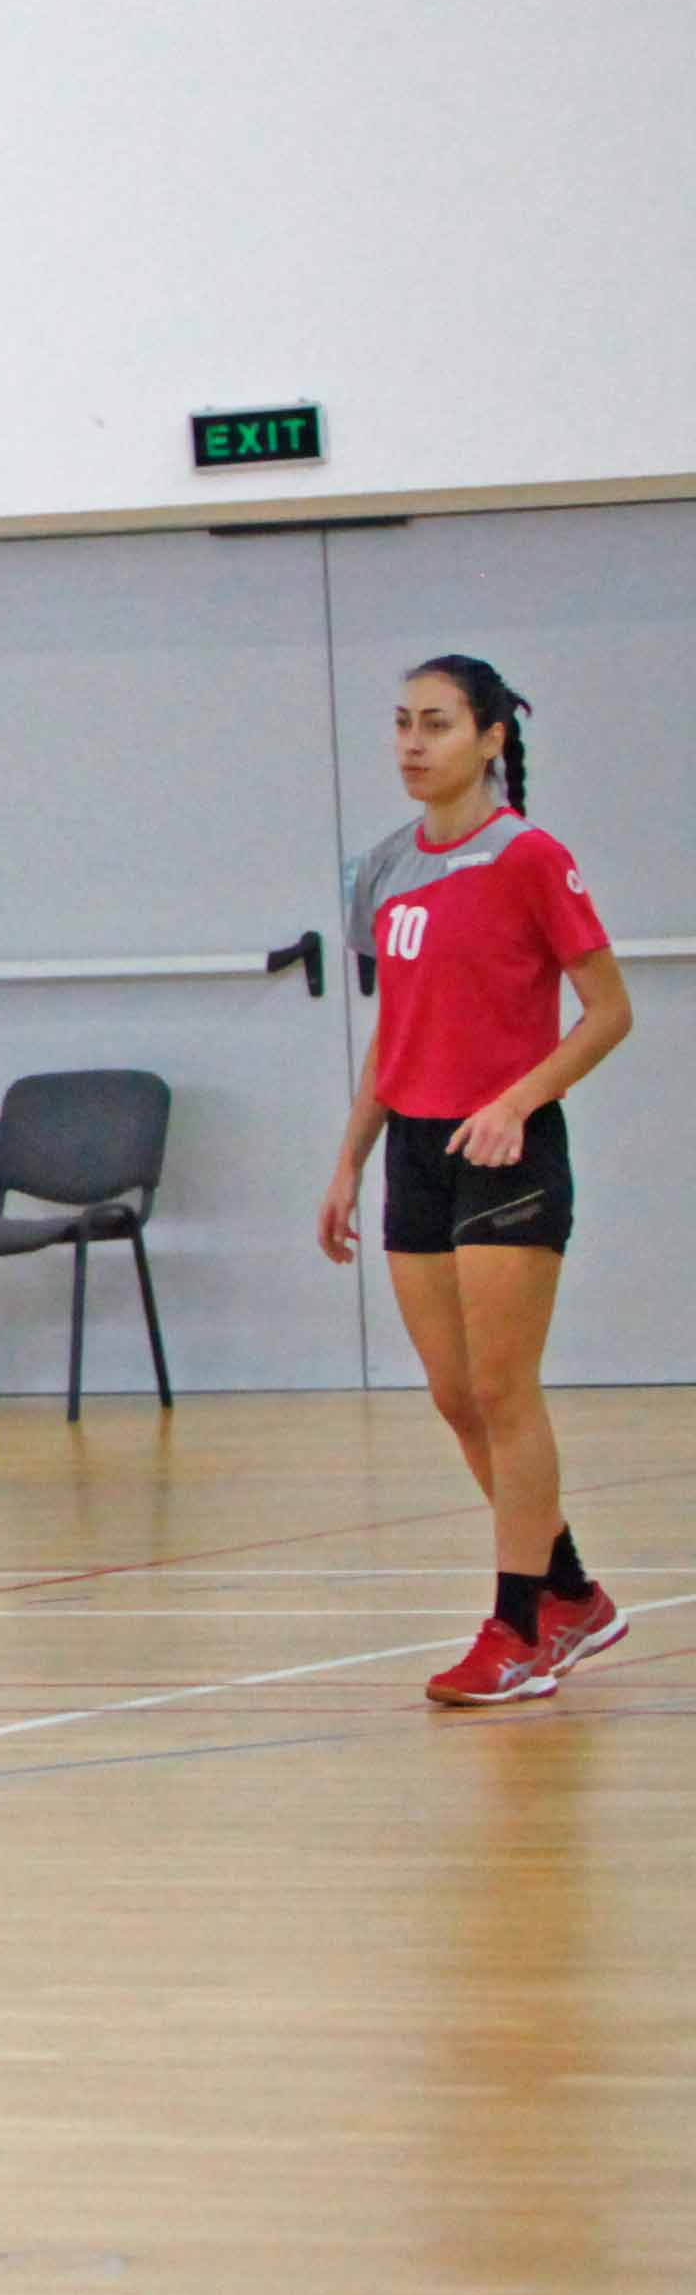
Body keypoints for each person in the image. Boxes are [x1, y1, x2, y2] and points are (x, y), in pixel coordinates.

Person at [322, 654, 636, 1707]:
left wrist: (515, 1100)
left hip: (509, 1148)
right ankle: (573, 1593)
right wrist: (349, 1155)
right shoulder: (382, 867)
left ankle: (517, 1627)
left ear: (491, 738)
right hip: (414, 1149)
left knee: (505, 1391)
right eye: (402, 723)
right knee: (457, 1397)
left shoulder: (530, 857)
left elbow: (609, 1013)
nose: (413, 744)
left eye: (438, 724)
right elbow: (397, 1029)